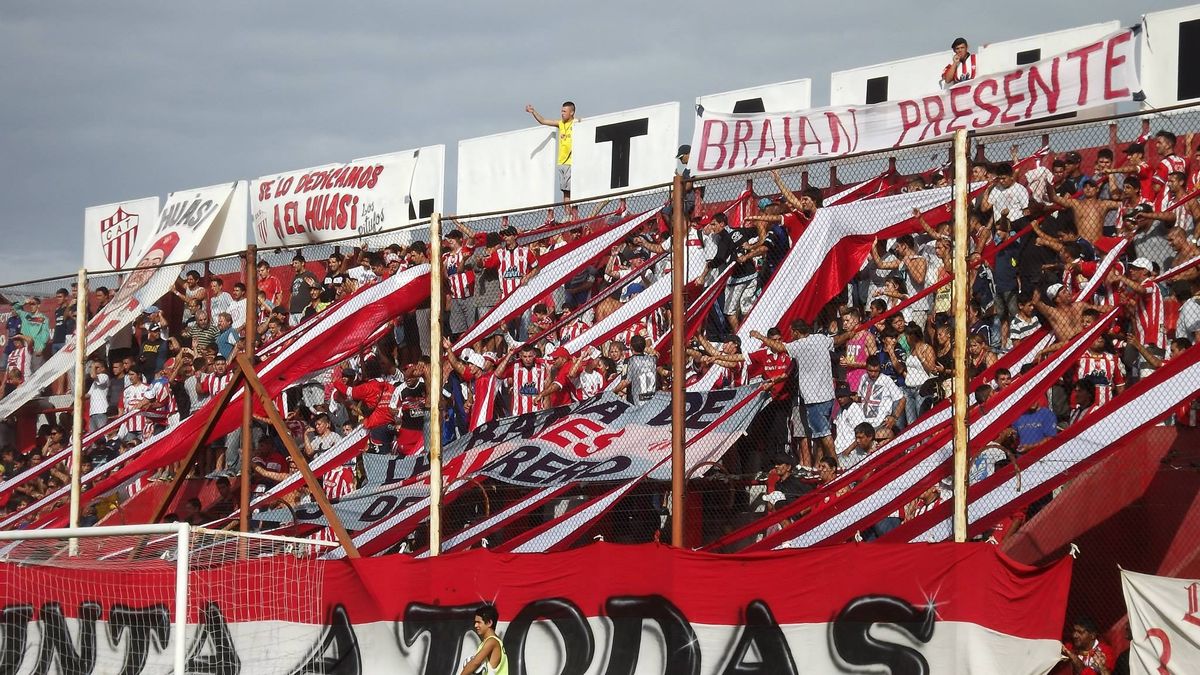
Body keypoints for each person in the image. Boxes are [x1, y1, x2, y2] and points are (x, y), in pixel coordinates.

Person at [526, 101, 576, 203]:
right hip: (562, 162)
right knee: (565, 191)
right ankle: (569, 215)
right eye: (561, 111)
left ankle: (575, 214)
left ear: (571, 112)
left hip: (572, 161)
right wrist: (533, 112)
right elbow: (543, 121)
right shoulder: (560, 124)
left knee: (574, 190)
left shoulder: (576, 123)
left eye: (564, 111)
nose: (562, 113)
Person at [459, 603, 507, 675]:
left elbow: (475, 663)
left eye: (479, 622)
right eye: (475, 622)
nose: (475, 625)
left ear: (489, 623)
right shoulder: (490, 641)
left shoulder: (492, 641)